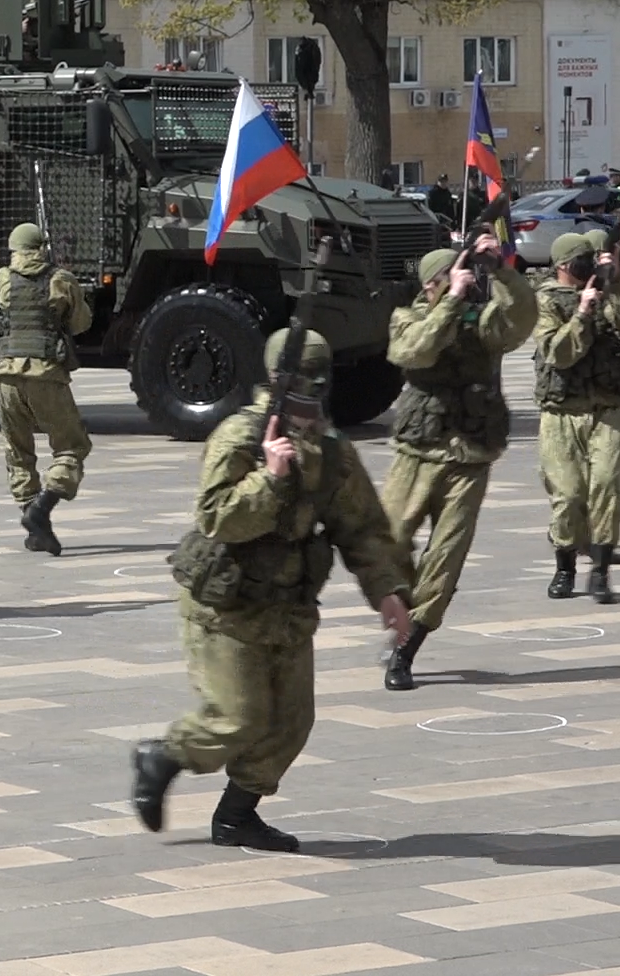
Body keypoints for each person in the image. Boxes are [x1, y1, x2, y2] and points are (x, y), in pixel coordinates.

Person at [132, 328, 414, 853]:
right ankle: (163, 757)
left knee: (290, 723)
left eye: (319, 382)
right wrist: (270, 476)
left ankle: (236, 817)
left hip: (287, 604)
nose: (313, 394)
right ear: (278, 379)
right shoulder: (240, 436)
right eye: (303, 381)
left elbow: (362, 528)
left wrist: (387, 592)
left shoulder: (332, 450)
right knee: (237, 717)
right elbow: (217, 517)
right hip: (225, 604)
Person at [380, 239, 539, 690]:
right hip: (417, 452)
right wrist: (449, 302)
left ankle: (407, 648)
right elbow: (414, 351)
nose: (461, 284)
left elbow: (521, 319)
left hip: (469, 454)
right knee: (388, 542)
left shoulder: (482, 322)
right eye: (447, 278)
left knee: (446, 557)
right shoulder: (407, 317)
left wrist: (501, 271)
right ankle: (399, 604)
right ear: (429, 285)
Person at [0, 223, 93, 556]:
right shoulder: (61, 279)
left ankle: (35, 525)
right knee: (72, 447)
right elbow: (81, 323)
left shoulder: (2, 278)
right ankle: (43, 507)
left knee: (18, 452)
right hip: (45, 375)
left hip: (6, 375)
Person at [531, 232, 620, 602]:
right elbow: (559, 353)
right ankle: (565, 566)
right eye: (583, 260)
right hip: (561, 412)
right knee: (568, 494)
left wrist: (612, 286)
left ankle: (600, 571)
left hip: (607, 408)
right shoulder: (546, 300)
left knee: (607, 487)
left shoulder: (608, 294)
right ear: (565, 265)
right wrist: (582, 312)